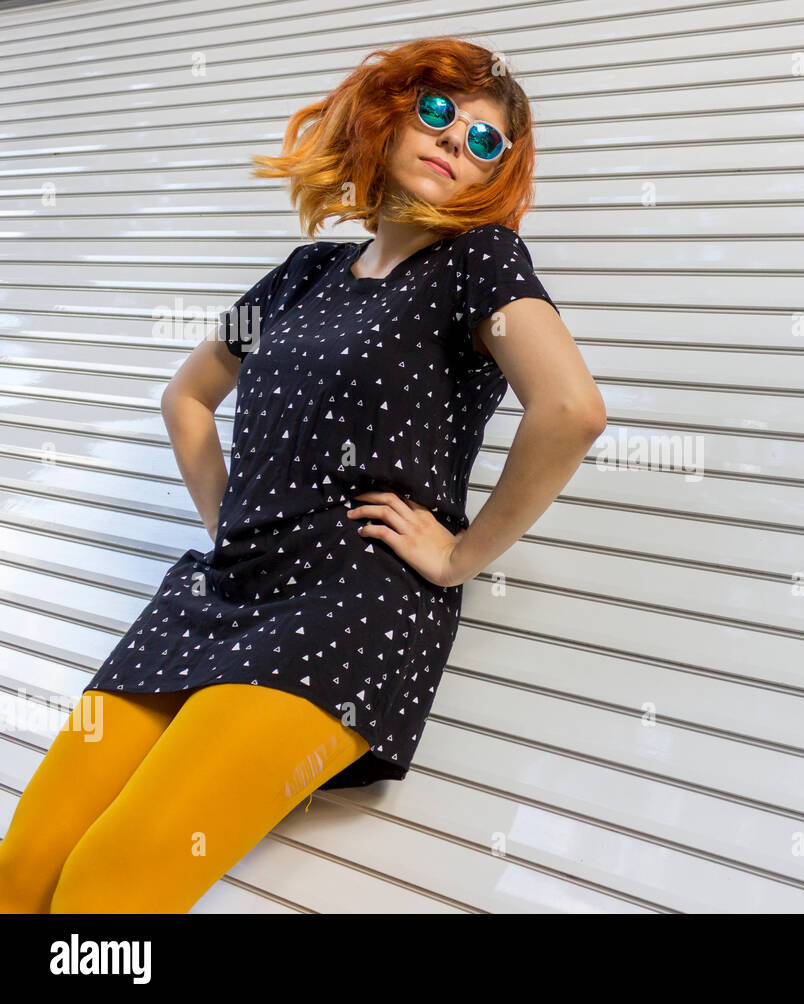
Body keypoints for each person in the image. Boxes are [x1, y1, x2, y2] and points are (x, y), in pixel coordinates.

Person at [0, 36, 605, 914]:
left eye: (485, 141)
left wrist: (459, 556)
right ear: (390, 114)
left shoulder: (478, 265)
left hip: (348, 600)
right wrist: (226, 521)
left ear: (495, 176)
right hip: (222, 590)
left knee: (110, 888)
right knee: (23, 870)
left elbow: (572, 410)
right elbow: (188, 400)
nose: (455, 141)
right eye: (439, 112)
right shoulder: (305, 273)